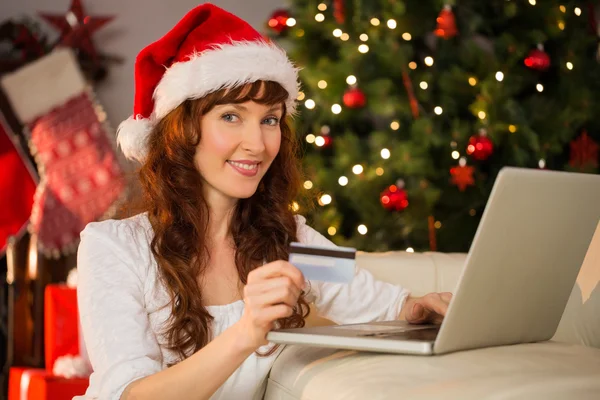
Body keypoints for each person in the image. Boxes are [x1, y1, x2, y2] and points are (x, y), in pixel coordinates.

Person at [76, 4, 452, 400]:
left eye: (270, 119)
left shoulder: (294, 239)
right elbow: (128, 396)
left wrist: (416, 308)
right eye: (231, 117)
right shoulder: (111, 247)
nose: (257, 144)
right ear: (182, 131)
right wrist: (247, 333)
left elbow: (377, 301)